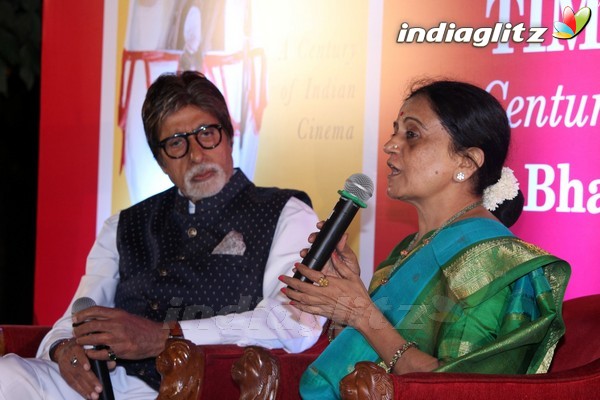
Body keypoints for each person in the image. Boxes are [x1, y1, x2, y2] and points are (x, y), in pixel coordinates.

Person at [0, 71, 324, 400]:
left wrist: (166, 335)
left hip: (206, 385)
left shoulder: (287, 213)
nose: (197, 154)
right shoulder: (122, 226)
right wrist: (61, 350)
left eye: (206, 133)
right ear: (161, 162)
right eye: (176, 143)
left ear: (229, 136)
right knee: (7, 375)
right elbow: (76, 317)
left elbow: (294, 323)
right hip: (108, 382)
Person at [280, 80, 571, 399]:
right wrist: (343, 307)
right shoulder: (407, 250)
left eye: (412, 134)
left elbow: (458, 390)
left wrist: (362, 313)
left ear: (466, 162)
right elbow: (365, 365)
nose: (390, 145)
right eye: (395, 131)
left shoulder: (494, 262)